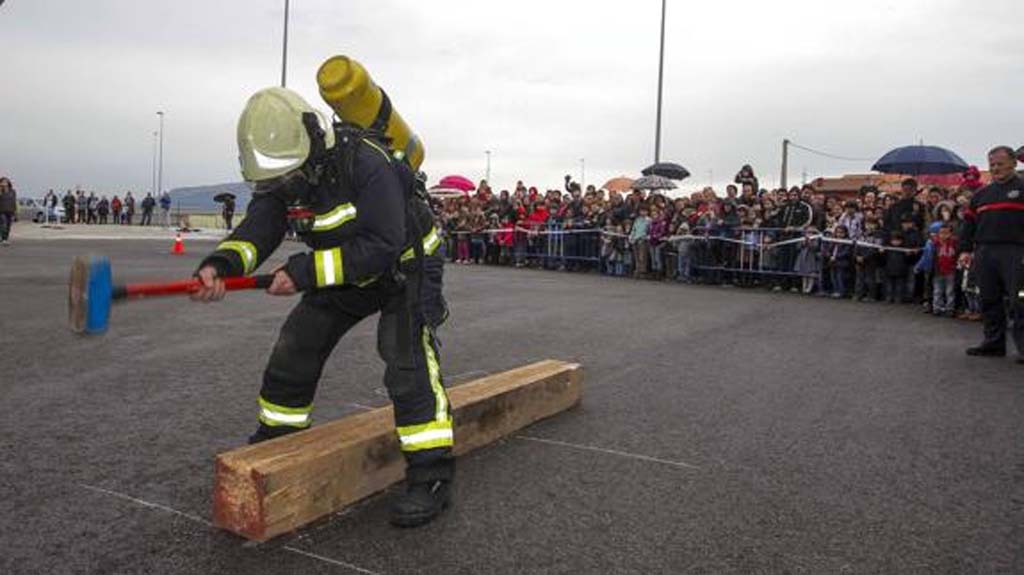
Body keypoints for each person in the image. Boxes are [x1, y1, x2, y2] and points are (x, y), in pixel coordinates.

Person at [191, 86, 454, 525]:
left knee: (406, 363)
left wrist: (303, 272)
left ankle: (432, 474)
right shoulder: (286, 173)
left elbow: (383, 246)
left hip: (406, 267)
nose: (282, 188)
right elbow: (260, 227)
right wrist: (220, 264)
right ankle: (279, 438)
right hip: (346, 272)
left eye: (287, 177)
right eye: (272, 181)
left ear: (312, 143)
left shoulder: (368, 163)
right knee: (298, 344)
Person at [960, 146, 1024, 363]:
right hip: (985, 252)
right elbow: (968, 225)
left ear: (1014, 163)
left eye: (1000, 164)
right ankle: (994, 343)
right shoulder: (981, 195)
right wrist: (965, 250)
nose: (996, 168)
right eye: (992, 165)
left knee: (1020, 300)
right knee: (988, 299)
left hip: (1016, 252)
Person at [0, 177, 16, 245]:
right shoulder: (0, 191)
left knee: (9, 226)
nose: (4, 183)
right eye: (3, 182)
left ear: (8, 183)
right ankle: (3, 239)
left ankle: (5, 239)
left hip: (10, 210)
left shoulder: (12, 191)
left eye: (5, 182)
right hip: (1, 210)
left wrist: (15, 212)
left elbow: (14, 201)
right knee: (4, 224)